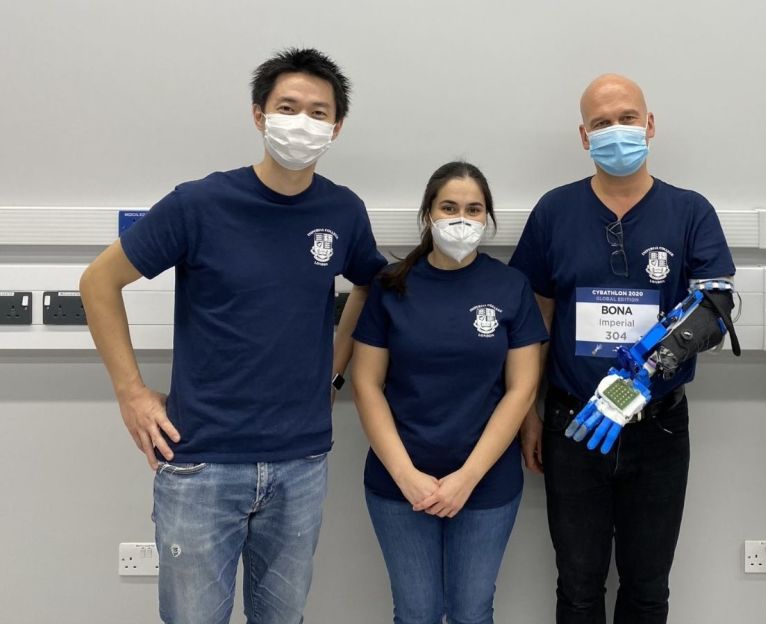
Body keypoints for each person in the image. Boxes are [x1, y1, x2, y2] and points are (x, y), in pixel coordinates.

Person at [79, 48, 385, 624]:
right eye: (288, 107)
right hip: (202, 465)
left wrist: (334, 370)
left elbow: (372, 284)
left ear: (337, 127)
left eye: (318, 113)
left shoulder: (344, 212)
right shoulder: (200, 203)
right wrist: (131, 393)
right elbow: (99, 281)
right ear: (258, 115)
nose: (302, 122)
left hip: (301, 460)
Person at [510, 74, 736, 623]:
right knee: (579, 587)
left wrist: (642, 374)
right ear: (584, 136)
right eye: (602, 123)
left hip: (657, 428)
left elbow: (716, 307)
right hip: (574, 423)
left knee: (648, 586)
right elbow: (533, 320)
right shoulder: (554, 211)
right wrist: (528, 415)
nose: (617, 131)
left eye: (628, 118)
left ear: (650, 125)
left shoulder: (689, 211)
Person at [350, 161, 547, 624]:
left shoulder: (510, 286)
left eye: (474, 209)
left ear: (487, 219)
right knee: (415, 613)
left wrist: (467, 478)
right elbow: (365, 383)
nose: (462, 218)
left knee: (471, 612)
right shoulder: (391, 285)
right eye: (449, 207)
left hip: (486, 482)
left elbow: (521, 389)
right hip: (398, 483)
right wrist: (407, 475)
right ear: (429, 215)